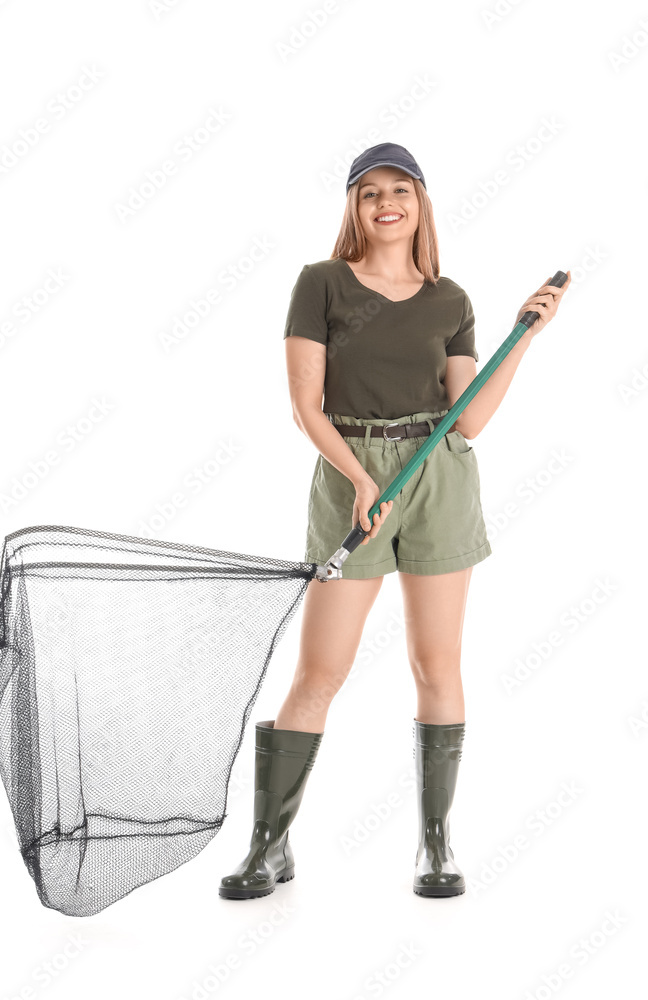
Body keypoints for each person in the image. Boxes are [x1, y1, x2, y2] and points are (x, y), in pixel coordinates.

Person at [218, 141, 571, 900]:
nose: (386, 202)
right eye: (370, 190)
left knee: (436, 665)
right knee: (322, 669)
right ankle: (269, 846)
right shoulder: (320, 284)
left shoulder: (451, 299)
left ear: (420, 204)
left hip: (437, 476)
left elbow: (469, 419)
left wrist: (525, 337)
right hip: (352, 475)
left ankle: (436, 846)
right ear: (353, 204)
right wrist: (356, 479)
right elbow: (304, 406)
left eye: (401, 190)